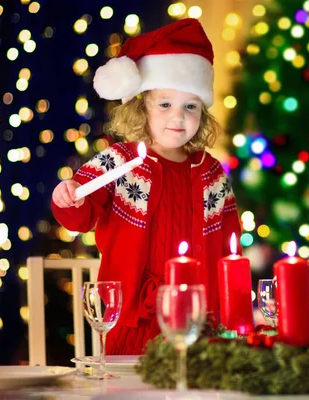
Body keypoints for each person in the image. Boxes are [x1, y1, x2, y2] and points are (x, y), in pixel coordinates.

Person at [51, 18, 241, 355]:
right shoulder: (119, 162)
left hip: (201, 323)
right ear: (143, 107)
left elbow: (230, 246)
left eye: (190, 107)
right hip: (134, 320)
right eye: (165, 104)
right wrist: (68, 198)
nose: (178, 118)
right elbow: (80, 214)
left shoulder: (211, 172)